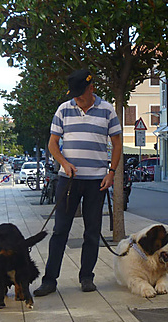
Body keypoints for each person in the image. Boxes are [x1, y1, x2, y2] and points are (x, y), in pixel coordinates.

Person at [34, 69, 122, 296]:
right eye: (74, 94)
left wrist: (111, 172)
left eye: (80, 94)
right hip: (69, 180)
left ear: (91, 88)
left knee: (92, 231)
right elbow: (52, 143)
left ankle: (86, 277)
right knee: (60, 230)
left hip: (96, 181)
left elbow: (117, 142)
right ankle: (50, 280)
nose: (77, 98)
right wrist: (64, 163)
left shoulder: (107, 110)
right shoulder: (64, 109)